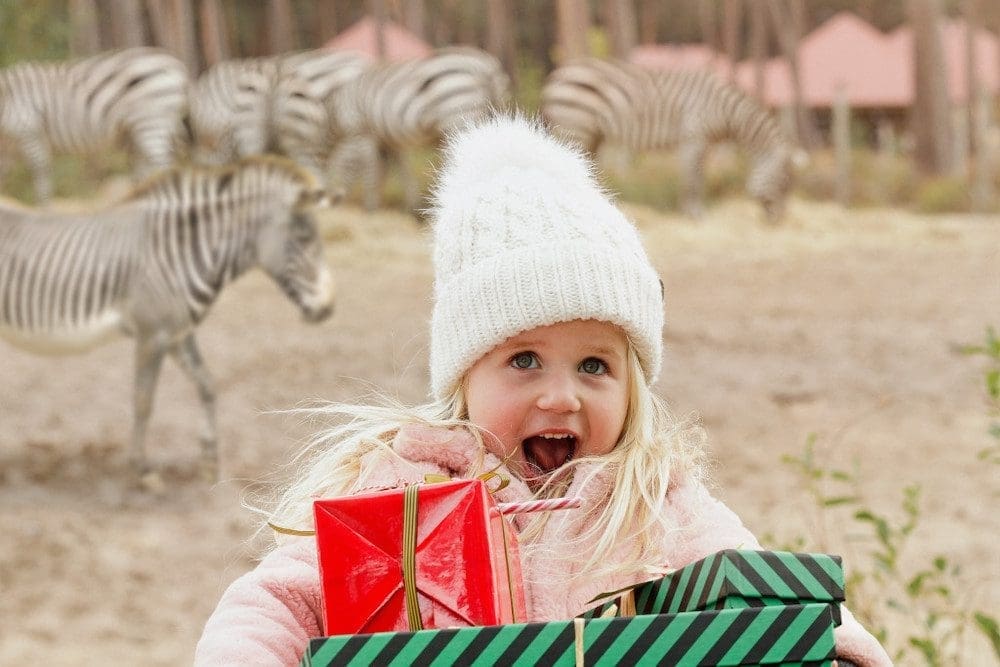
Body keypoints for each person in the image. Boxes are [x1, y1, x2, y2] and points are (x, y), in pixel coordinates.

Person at [194, 116, 890, 666]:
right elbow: (276, 600)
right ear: (465, 373)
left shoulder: (653, 501)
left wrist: (844, 655)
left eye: (595, 366)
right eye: (525, 359)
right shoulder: (399, 493)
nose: (562, 396)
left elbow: (775, 595)